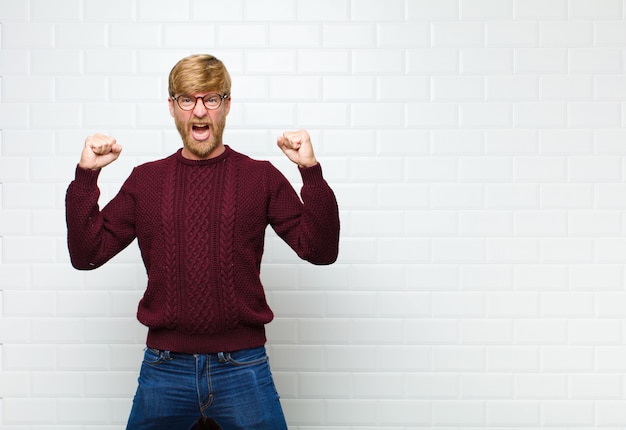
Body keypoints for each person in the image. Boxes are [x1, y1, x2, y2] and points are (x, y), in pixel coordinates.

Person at [65, 54, 340, 430]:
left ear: (226, 106)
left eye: (211, 99)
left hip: (243, 365)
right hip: (164, 367)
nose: (199, 110)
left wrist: (310, 172)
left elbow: (320, 251)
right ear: (172, 107)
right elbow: (87, 254)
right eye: (187, 99)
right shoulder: (145, 180)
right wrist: (86, 176)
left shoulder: (260, 177)